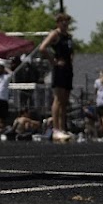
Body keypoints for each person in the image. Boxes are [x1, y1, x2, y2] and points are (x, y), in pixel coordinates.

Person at [37, 13, 75, 142]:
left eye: (67, 21)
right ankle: (56, 129)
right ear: (58, 22)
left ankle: (63, 128)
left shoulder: (68, 36)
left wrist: (71, 60)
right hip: (59, 68)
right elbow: (42, 48)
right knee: (58, 99)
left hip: (68, 68)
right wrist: (53, 61)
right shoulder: (55, 34)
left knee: (65, 100)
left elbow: (71, 51)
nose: (65, 23)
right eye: (62, 21)